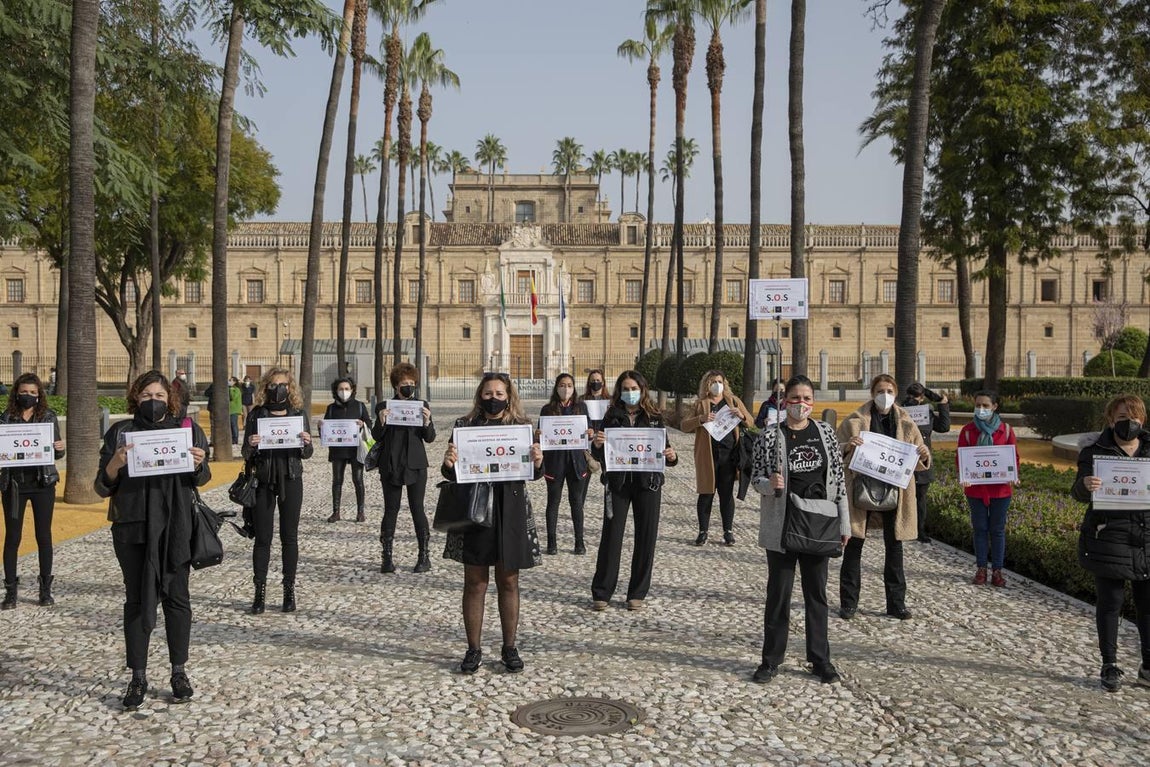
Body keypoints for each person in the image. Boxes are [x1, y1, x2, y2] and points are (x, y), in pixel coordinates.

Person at [93, 370, 209, 710]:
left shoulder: (186, 430)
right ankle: (138, 676)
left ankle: (178, 671)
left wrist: (198, 463)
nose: (153, 402)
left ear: (169, 400)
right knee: (137, 599)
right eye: (146, 396)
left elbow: (202, 477)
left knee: (177, 597)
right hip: (132, 527)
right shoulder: (120, 432)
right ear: (135, 399)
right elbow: (101, 487)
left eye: (159, 396)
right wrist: (115, 463)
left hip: (175, 526)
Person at [750, 374, 850, 684]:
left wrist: (844, 522)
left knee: (816, 595)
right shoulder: (769, 437)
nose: (801, 404)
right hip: (782, 526)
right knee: (778, 595)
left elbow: (838, 480)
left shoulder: (825, 433)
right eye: (795, 398)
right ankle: (770, 660)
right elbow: (755, 478)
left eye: (807, 398)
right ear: (784, 401)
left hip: (819, 524)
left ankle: (820, 659)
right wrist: (770, 484)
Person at [441, 372, 544, 674]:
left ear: (509, 396)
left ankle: (509, 646)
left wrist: (538, 461)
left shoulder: (522, 427)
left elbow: (534, 474)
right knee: (475, 582)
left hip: (510, 508)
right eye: (488, 393)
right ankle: (473, 649)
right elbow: (451, 473)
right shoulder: (464, 426)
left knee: (509, 581)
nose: (494, 399)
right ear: (479, 396)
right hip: (475, 509)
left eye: (500, 393)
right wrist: (448, 463)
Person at [1072, 393, 1150, 692]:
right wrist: (1084, 485)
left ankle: (1147, 666)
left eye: (1134, 419)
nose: (1129, 424)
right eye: (1121, 419)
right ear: (1110, 420)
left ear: (1142, 420)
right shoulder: (1095, 451)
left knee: (1147, 605)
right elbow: (1077, 493)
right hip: (1109, 535)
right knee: (1110, 604)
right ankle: (1110, 664)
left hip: (1146, 537)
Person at [838, 374, 930, 621]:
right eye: (880, 390)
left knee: (895, 546)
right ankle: (848, 603)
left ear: (896, 392)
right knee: (854, 545)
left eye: (889, 390)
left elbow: (920, 459)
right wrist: (849, 445)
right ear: (872, 393)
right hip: (861, 487)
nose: (885, 394)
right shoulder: (855, 420)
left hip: (895, 491)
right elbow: (837, 448)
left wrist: (923, 453)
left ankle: (896, 603)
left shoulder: (908, 423)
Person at [589, 370, 678, 612]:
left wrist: (672, 456)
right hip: (617, 484)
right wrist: (596, 445)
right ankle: (602, 591)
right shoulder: (611, 416)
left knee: (646, 537)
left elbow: (665, 450)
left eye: (634, 388)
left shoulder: (654, 417)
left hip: (648, 484)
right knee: (611, 537)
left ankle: (637, 592)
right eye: (626, 389)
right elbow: (600, 454)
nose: (630, 393)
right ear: (620, 392)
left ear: (642, 389)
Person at [241, 367, 313, 615]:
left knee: (289, 536)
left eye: (282, 385)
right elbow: (245, 453)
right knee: (263, 539)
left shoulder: (298, 414)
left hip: (291, 478)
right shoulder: (257, 415)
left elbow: (307, 453)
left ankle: (288, 590)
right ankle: (259, 591)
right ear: (266, 388)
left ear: (290, 388)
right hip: (263, 480)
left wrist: (306, 443)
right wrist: (251, 444)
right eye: (273, 385)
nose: (278, 389)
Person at [1, 373, 66, 610]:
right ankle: (10, 592)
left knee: (44, 535)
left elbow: (58, 454)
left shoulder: (48, 416)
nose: (28, 396)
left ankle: (45, 589)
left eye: (32, 393)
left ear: (39, 395)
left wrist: (60, 447)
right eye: (24, 392)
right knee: (13, 537)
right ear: (16, 393)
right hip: (14, 485)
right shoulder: (7, 418)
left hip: (42, 483)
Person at [373, 363, 436, 573]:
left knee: (417, 508)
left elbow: (430, 438)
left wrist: (427, 422)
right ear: (396, 386)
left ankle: (424, 556)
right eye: (404, 384)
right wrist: (381, 421)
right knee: (391, 509)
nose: (408, 387)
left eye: (411, 384)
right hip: (391, 464)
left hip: (416, 464)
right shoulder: (384, 406)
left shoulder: (422, 405)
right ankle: (387, 557)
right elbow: (376, 436)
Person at [681, 369, 753, 546]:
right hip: (708, 455)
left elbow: (751, 422)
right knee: (706, 493)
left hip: (729, 455)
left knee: (726, 494)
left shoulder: (733, 401)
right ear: (707, 384)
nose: (717, 385)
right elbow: (683, 425)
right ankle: (703, 531)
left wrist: (741, 416)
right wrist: (701, 419)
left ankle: (728, 531)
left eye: (720, 381)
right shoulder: (700, 404)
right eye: (713, 381)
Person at [957, 389, 1018, 587]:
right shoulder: (967, 431)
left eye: (985, 405)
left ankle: (997, 571)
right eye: (978, 405)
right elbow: (961, 457)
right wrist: (964, 476)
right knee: (980, 529)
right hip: (975, 489)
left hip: (1000, 490)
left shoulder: (1006, 430)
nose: (981, 409)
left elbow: (1013, 457)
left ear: (994, 407)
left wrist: (1013, 476)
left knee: (998, 530)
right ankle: (981, 568)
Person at [539, 373, 592, 555]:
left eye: (569, 385)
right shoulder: (547, 409)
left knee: (576, 502)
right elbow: (542, 433)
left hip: (576, 462)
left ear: (574, 388)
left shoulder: (581, 407)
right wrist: (538, 434)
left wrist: (590, 432)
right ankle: (551, 542)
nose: (566, 389)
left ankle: (579, 541)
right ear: (556, 388)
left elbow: (589, 429)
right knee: (553, 502)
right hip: (555, 462)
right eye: (562, 385)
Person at [902, 383, 951, 543]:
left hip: (922, 460)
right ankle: (902, 527)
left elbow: (943, 427)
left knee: (921, 498)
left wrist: (942, 404)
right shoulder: (898, 411)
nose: (912, 401)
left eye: (915, 397)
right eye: (910, 397)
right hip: (903, 459)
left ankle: (920, 530)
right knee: (903, 497)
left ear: (922, 398)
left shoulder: (926, 412)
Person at [321, 377, 370, 524]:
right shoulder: (331, 408)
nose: (344, 392)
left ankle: (360, 512)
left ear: (352, 390)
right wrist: (321, 426)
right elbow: (326, 427)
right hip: (338, 450)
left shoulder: (360, 406)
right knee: (337, 481)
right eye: (341, 389)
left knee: (358, 480)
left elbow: (369, 423)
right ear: (336, 391)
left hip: (356, 449)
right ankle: (336, 512)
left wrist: (363, 424)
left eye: (346, 389)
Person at [228, 376, 243, 445]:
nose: (229, 381)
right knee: (230, 425)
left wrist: (231, 389)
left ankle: (235, 439)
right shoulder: (229, 388)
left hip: (234, 410)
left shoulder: (236, 389)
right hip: (229, 410)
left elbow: (233, 397)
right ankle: (231, 438)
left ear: (234, 382)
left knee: (233, 424)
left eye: (230, 380)